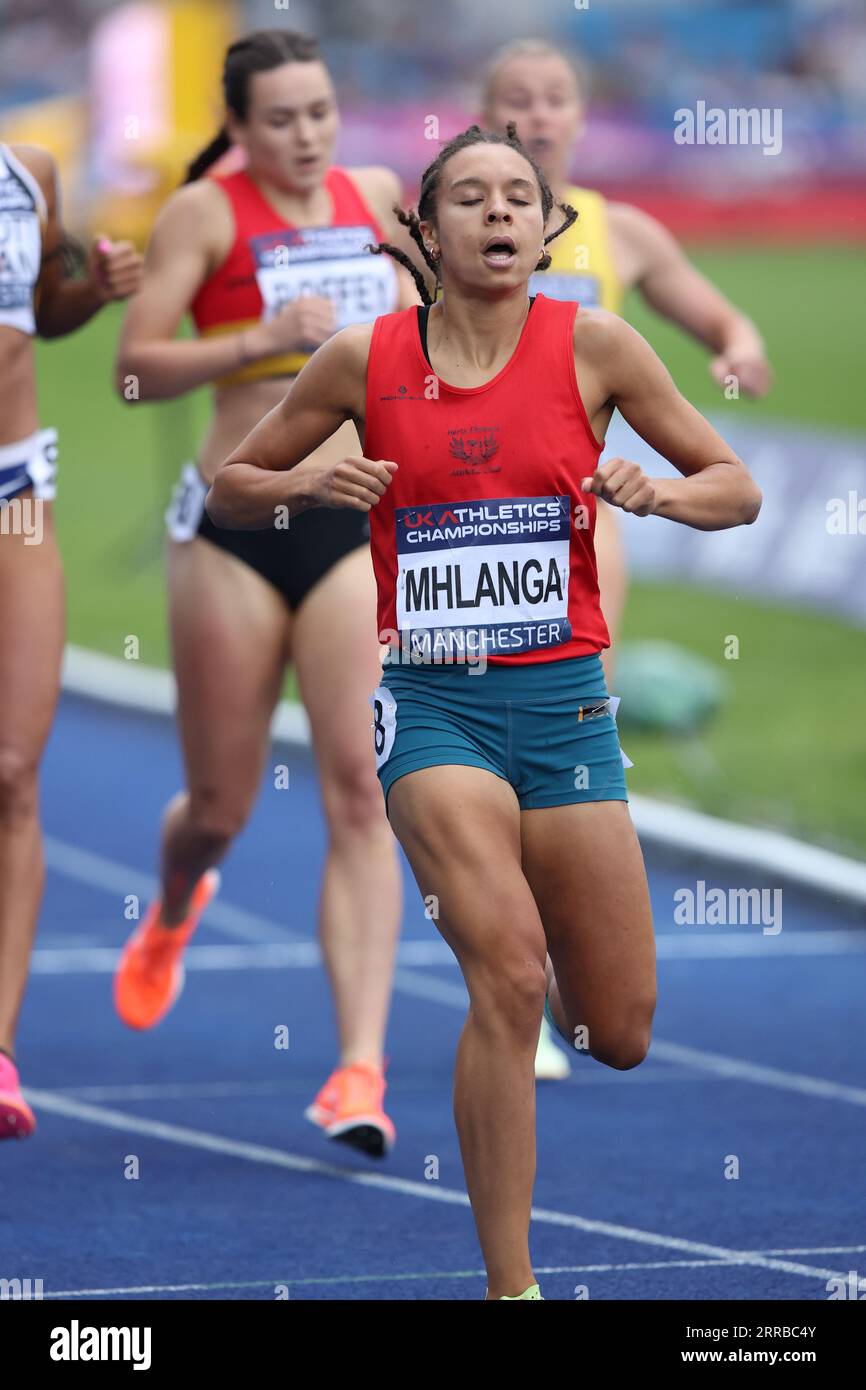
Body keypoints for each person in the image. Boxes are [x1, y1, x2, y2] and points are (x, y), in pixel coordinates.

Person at [204, 123, 762, 1299]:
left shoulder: (594, 345)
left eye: (519, 197)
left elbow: (737, 487)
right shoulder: (363, 361)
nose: (498, 214)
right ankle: (511, 1286)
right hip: (434, 709)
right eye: (470, 197)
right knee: (503, 976)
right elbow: (233, 485)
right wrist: (310, 479)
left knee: (615, 1031)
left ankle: (566, 971)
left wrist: (652, 490)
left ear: (546, 227)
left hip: (565, 708)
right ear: (426, 229)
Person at [112, 29, 422, 1158]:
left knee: (357, 784)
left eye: (321, 113)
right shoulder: (202, 212)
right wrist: (259, 340)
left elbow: (433, 331)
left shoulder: (375, 195)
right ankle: (178, 899)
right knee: (222, 808)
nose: (306, 137)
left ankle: (356, 1070)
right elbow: (133, 371)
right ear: (238, 126)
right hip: (234, 526)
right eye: (281, 119)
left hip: (347, 522)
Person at [482, 39, 774, 1079]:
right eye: (513, 101)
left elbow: (706, 310)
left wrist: (733, 342)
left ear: (576, 114)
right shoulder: (445, 231)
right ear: (484, 115)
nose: (534, 116)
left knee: (563, 741)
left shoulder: (619, 230)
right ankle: (510, 971)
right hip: (465, 520)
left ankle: (551, 970)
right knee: (478, 764)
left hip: (578, 524)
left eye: (553, 98)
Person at [0, 141, 141, 1139]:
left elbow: (38, 319)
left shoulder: (32, 173)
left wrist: (91, 291)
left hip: (10, 497)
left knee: (12, 771)